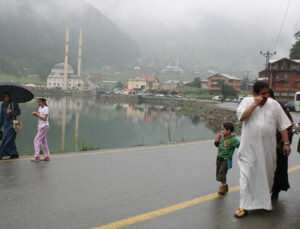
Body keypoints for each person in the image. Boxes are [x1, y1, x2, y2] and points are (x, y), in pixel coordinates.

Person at [234, 81, 291, 218]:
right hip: (249, 149)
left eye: (267, 93)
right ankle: (244, 206)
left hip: (267, 149)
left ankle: (263, 202)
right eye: (262, 94)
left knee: (266, 176)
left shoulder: (274, 105)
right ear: (255, 94)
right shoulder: (247, 102)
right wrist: (255, 104)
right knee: (247, 176)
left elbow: (283, 125)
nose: (266, 96)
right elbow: (242, 118)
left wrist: (286, 143)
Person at [269, 89, 294, 200]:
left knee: (278, 170)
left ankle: (275, 191)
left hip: (277, 146)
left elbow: (287, 127)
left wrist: (284, 144)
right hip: (264, 145)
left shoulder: (280, 108)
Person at [214, 122, 240, 195]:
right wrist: (216, 142)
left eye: (223, 130)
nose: (222, 131)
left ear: (229, 131)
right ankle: (225, 185)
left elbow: (240, 145)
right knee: (218, 174)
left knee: (222, 173)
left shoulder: (233, 140)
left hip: (226, 159)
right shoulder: (221, 137)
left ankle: (223, 186)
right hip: (219, 158)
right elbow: (218, 146)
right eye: (221, 129)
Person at [0, 93, 21, 160]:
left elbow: (18, 112)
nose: (4, 98)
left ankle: (1, 153)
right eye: (4, 97)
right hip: (6, 125)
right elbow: (2, 116)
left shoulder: (13, 103)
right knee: (11, 140)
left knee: (6, 139)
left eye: (6, 97)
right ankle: (14, 153)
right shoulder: (3, 105)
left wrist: (11, 112)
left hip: (14, 124)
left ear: (9, 97)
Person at [32, 97, 50, 161]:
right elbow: (39, 114)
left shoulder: (46, 109)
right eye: (38, 102)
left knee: (36, 140)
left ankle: (37, 156)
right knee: (43, 142)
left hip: (44, 126)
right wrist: (35, 113)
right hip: (40, 126)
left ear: (44, 102)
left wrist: (37, 115)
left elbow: (44, 119)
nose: (38, 103)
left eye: (39, 101)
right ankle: (47, 156)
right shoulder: (40, 108)